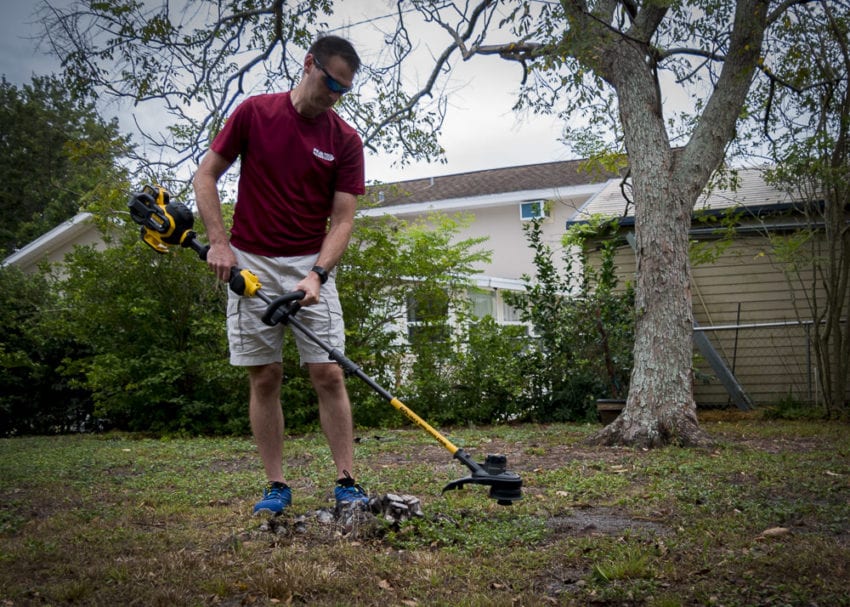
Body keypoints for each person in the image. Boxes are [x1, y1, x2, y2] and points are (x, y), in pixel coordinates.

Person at [192, 34, 367, 516]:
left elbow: (344, 219)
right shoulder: (255, 113)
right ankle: (276, 485)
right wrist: (220, 242)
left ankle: (347, 480)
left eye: (344, 89)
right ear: (308, 64)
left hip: (309, 264)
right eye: (330, 81)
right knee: (265, 376)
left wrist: (317, 275)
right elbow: (206, 175)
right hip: (249, 261)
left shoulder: (345, 140)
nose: (334, 94)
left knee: (328, 372)